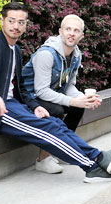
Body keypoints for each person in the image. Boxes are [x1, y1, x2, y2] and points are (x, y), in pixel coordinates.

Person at [0, 2, 111, 183]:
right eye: (11, 21)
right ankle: (92, 167)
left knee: (54, 123)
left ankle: (99, 157)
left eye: (21, 22)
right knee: (47, 130)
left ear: (26, 25)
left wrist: (34, 106)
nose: (16, 26)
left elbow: (20, 87)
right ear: (2, 21)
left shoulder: (15, 50)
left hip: (13, 105)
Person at [20, 14, 104, 174]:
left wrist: (83, 99)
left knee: (78, 108)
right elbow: (41, 90)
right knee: (56, 111)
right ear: (60, 32)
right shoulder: (47, 54)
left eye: (76, 30)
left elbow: (69, 86)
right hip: (29, 99)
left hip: (48, 96)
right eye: (68, 29)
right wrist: (73, 101)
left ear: (81, 36)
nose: (71, 33)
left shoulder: (76, 55)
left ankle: (64, 148)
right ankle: (43, 159)